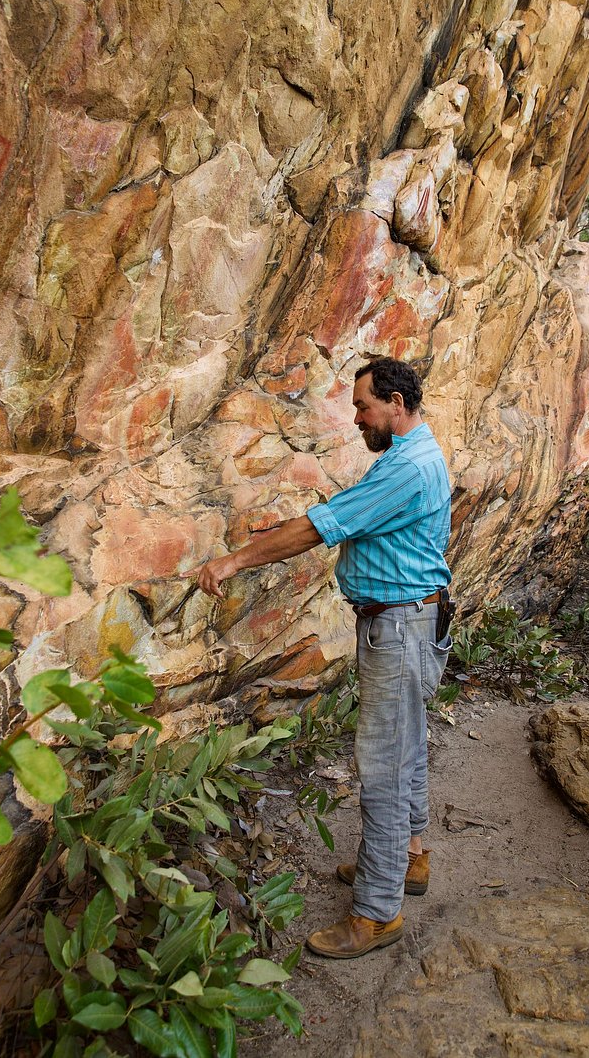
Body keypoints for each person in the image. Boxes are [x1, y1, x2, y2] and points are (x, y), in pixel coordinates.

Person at [186, 357, 452, 959]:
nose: (357, 418)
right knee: (405, 749)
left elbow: (319, 527)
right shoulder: (413, 457)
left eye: (363, 407)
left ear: (397, 404)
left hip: (400, 627)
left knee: (384, 767)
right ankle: (408, 861)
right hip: (410, 621)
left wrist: (233, 560)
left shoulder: (406, 469)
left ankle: (379, 913)